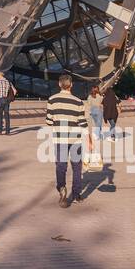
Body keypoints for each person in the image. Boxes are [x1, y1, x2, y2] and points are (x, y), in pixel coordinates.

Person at [47, 72, 88, 208]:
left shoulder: (52, 100)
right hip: (75, 138)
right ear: (71, 85)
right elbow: (82, 123)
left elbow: (48, 121)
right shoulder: (78, 101)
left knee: (61, 165)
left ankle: (62, 187)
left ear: (59, 84)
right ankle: (76, 195)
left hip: (60, 138)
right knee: (77, 167)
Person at [0, 70, 14, 135]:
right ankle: (8, 132)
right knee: (7, 115)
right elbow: (14, 91)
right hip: (7, 99)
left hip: (1, 99)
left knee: (0, 115)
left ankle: (0, 131)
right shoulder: (7, 81)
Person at [86, 86, 103, 160]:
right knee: (98, 123)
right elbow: (101, 102)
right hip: (98, 110)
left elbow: (88, 103)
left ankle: (94, 134)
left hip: (92, 110)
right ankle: (98, 135)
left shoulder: (90, 96)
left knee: (93, 123)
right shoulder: (100, 96)